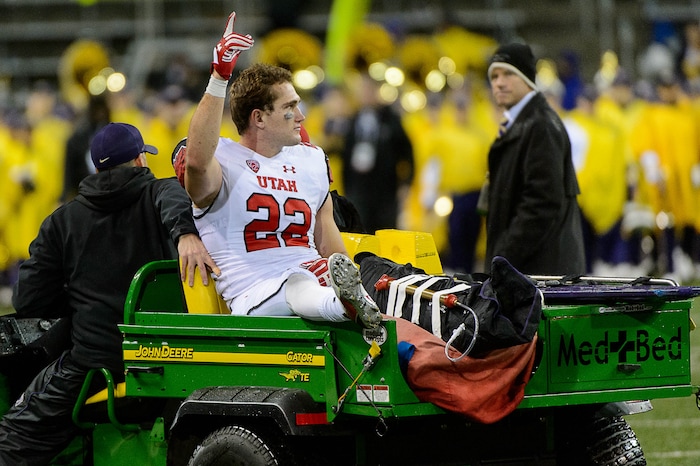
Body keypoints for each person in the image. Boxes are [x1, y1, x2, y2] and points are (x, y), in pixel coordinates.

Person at [0, 122, 218, 465]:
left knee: (11, 440)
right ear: (139, 160)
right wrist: (185, 234)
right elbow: (173, 197)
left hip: (95, 365)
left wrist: (77, 300)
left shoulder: (63, 221)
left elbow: (27, 300)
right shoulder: (160, 194)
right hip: (167, 360)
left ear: (96, 167)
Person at [184, 12, 381, 329]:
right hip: (257, 295)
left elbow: (333, 251)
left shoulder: (311, 160)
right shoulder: (223, 159)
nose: (301, 116)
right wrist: (219, 78)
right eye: (289, 108)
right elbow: (195, 162)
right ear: (259, 118)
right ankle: (342, 306)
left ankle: (357, 303)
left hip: (317, 277)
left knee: (383, 281)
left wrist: (356, 279)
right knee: (295, 283)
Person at [481, 43, 585, 276]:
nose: (499, 82)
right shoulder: (521, 124)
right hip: (530, 269)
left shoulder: (540, 125)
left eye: (508, 73)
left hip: (539, 273)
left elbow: (541, 204)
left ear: (527, 79)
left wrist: (504, 258)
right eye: (494, 75)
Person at [340, 68, 414, 234]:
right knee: (360, 232)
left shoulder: (390, 118)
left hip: (385, 189)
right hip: (359, 188)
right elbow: (346, 153)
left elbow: (407, 152)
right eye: (361, 90)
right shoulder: (353, 118)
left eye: (368, 90)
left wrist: (406, 183)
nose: (364, 95)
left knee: (385, 232)